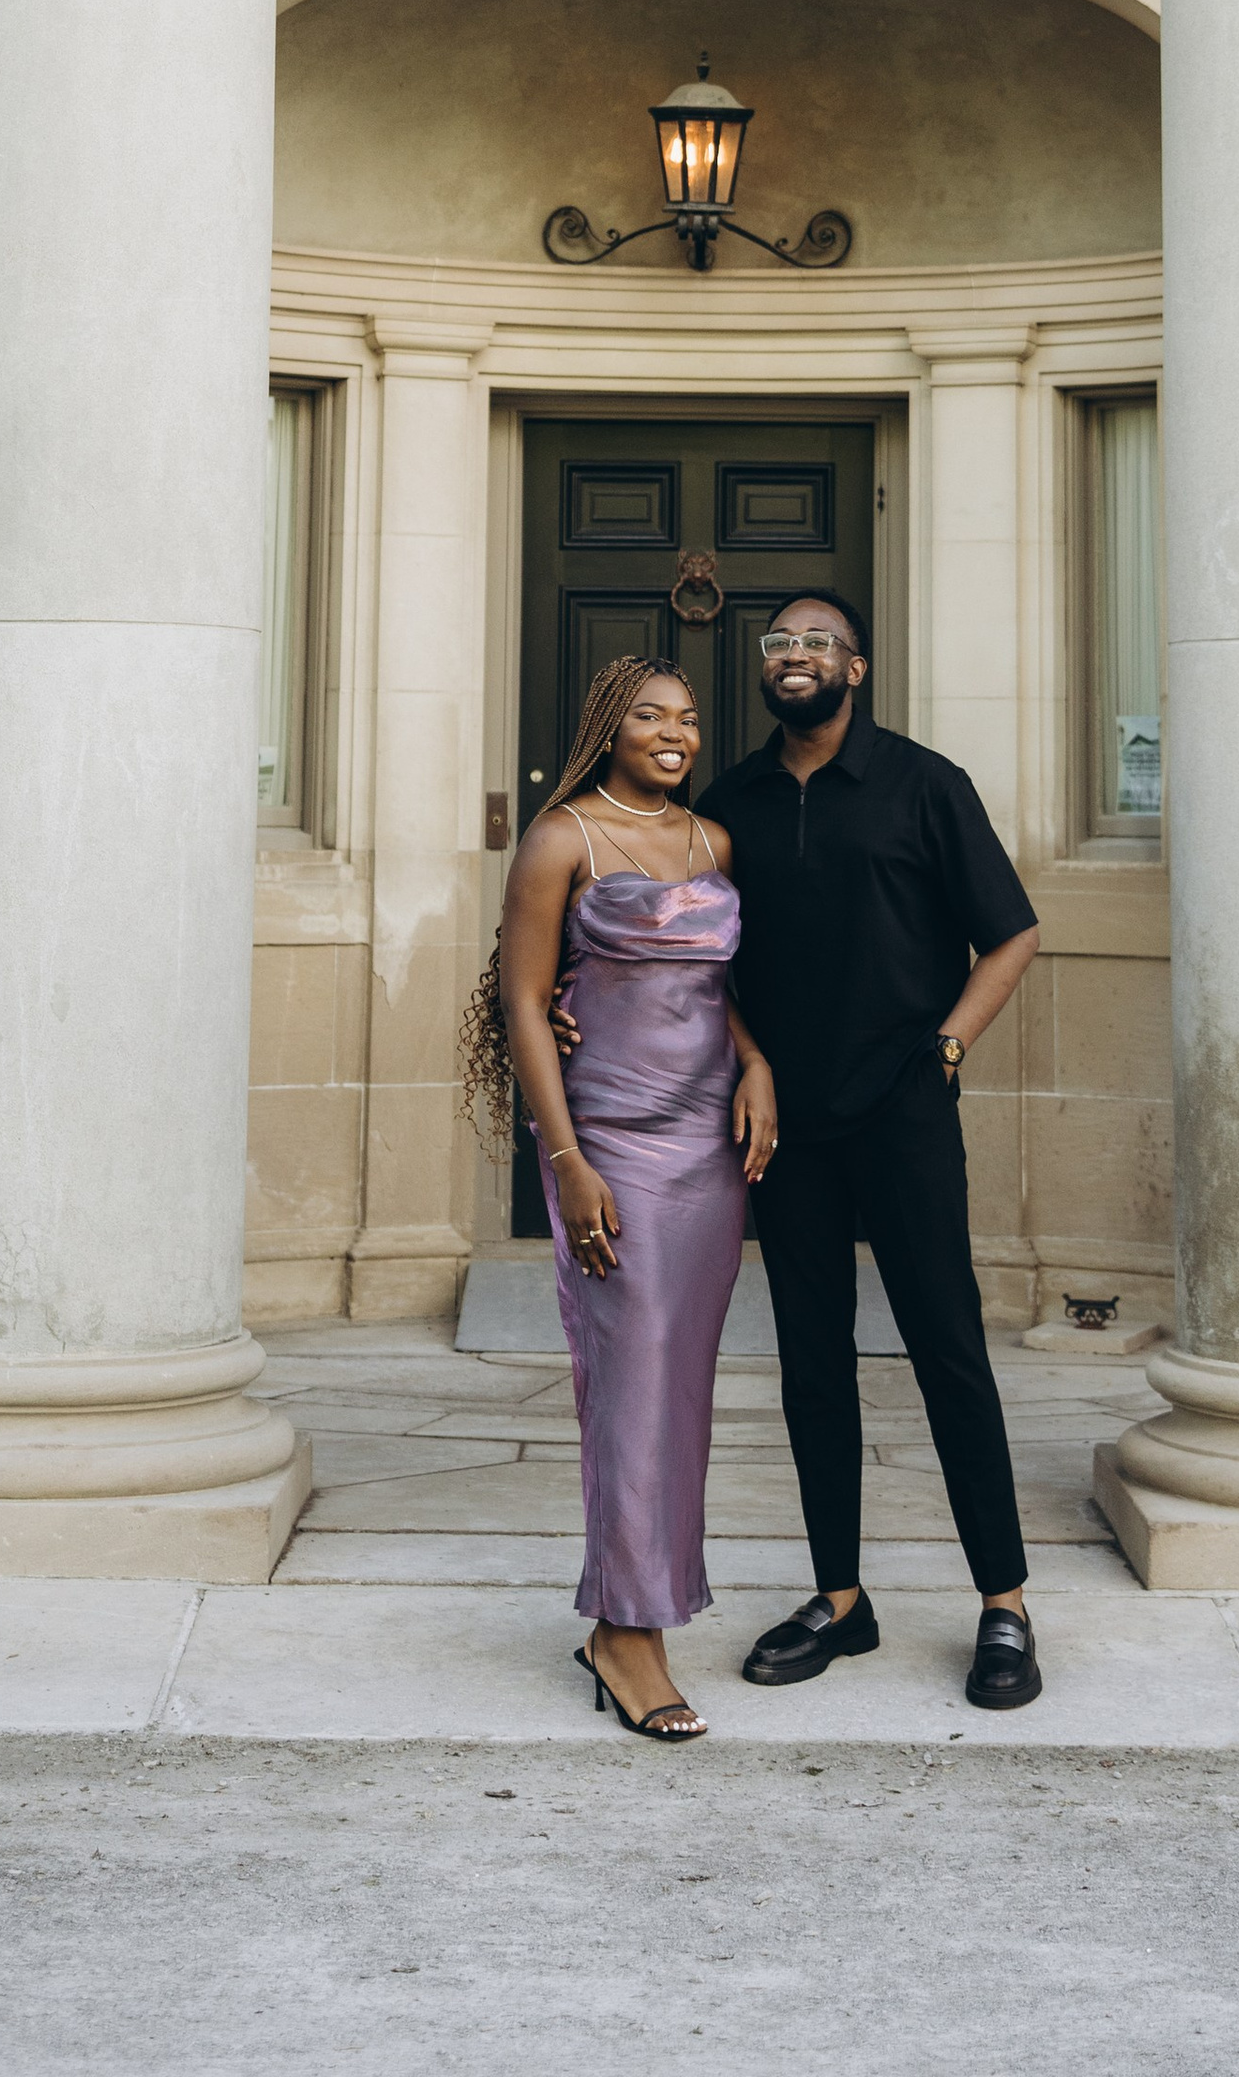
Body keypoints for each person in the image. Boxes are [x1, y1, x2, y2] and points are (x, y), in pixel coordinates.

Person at [711, 593, 1044, 1712]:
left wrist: (944, 1048)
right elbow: (704, 970)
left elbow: (1011, 931)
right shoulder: (731, 805)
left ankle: (1002, 1602)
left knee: (948, 1351)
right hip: (784, 1126)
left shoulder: (923, 784)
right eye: (777, 643)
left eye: (815, 642)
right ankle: (840, 1600)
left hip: (901, 1110)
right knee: (811, 1363)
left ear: (855, 668)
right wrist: (749, 1059)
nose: (793, 656)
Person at [459, 655, 778, 1742]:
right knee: (629, 1386)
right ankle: (628, 1636)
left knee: (680, 1390)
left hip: (705, 1152)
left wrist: (756, 1062)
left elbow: (719, 985)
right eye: (649, 715)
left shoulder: (712, 843)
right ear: (609, 726)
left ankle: (633, 1616)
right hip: (612, 1144)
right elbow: (523, 1000)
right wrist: (565, 1160)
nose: (673, 731)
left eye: (686, 717)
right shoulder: (563, 839)